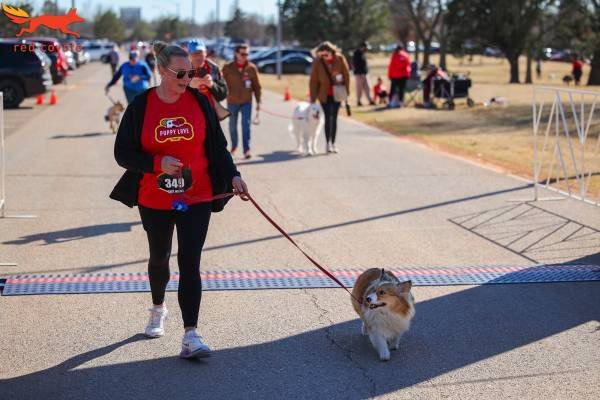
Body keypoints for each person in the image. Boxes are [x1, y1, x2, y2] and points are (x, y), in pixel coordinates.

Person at [110, 41, 249, 360]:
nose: (188, 79)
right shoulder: (141, 105)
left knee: (190, 261)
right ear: (161, 70)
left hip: (195, 196)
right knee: (159, 257)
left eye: (192, 72)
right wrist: (156, 163)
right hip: (155, 198)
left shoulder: (199, 102)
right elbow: (122, 154)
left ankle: (191, 334)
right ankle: (158, 307)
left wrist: (233, 176)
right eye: (181, 73)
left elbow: (218, 147)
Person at [222, 44, 261, 159]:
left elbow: (257, 86)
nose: (245, 56)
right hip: (232, 101)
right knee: (232, 125)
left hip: (246, 101)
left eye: (247, 54)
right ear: (236, 53)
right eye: (242, 54)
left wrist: (258, 102)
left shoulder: (251, 68)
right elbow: (220, 83)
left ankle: (246, 149)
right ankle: (234, 147)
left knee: (246, 125)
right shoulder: (227, 67)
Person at [310, 41, 350, 154]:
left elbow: (346, 75)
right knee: (328, 117)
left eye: (326, 54)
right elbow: (313, 80)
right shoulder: (318, 61)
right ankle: (327, 143)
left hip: (337, 92)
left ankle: (333, 143)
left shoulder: (340, 59)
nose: (324, 57)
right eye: (322, 55)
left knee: (335, 118)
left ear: (331, 52)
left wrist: (346, 92)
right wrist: (313, 98)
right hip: (324, 94)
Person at [352, 41, 375, 107]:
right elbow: (355, 64)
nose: (366, 49)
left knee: (368, 87)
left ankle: (370, 100)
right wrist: (360, 73)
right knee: (359, 88)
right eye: (365, 47)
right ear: (362, 47)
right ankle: (359, 101)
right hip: (359, 74)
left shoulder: (363, 53)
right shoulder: (356, 53)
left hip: (365, 73)